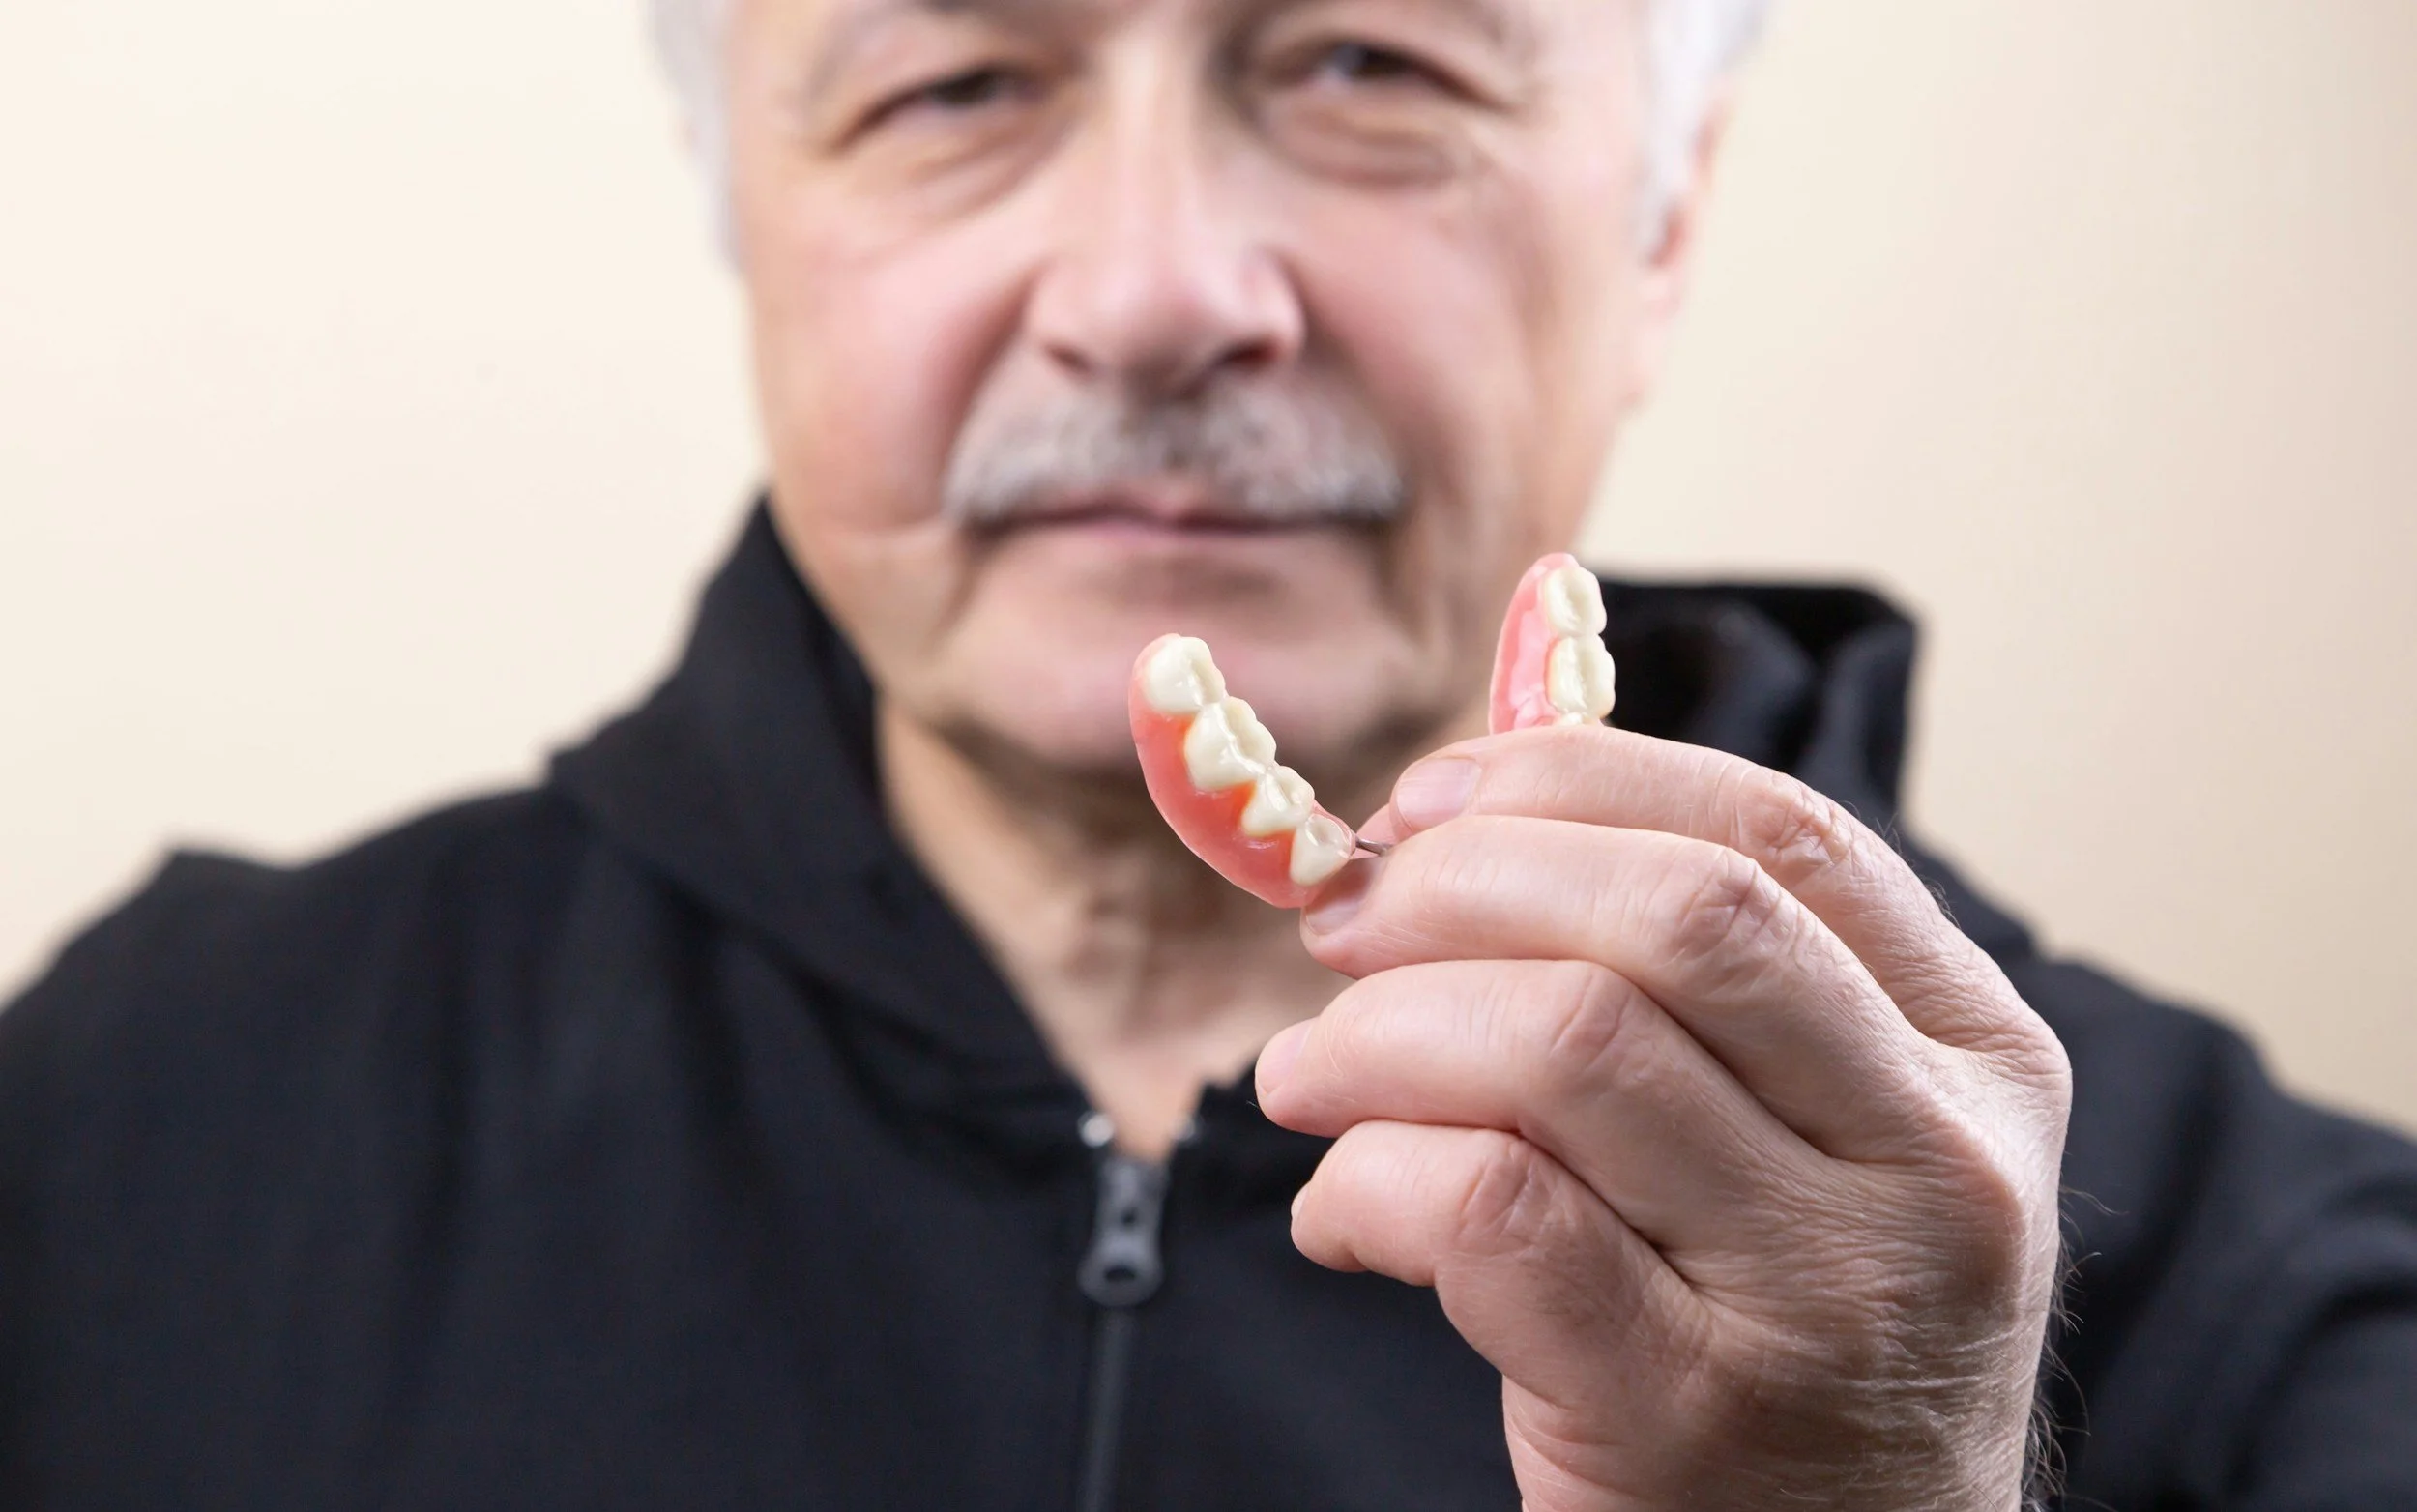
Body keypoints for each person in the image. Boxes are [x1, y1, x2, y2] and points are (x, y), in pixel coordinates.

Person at [4, 0, 2413, 1505]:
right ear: (751, 209)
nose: (1157, 288)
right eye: (955, 81)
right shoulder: (118, 1134)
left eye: (1369, 62)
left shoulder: (2291, 1300)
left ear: (1665, 215)